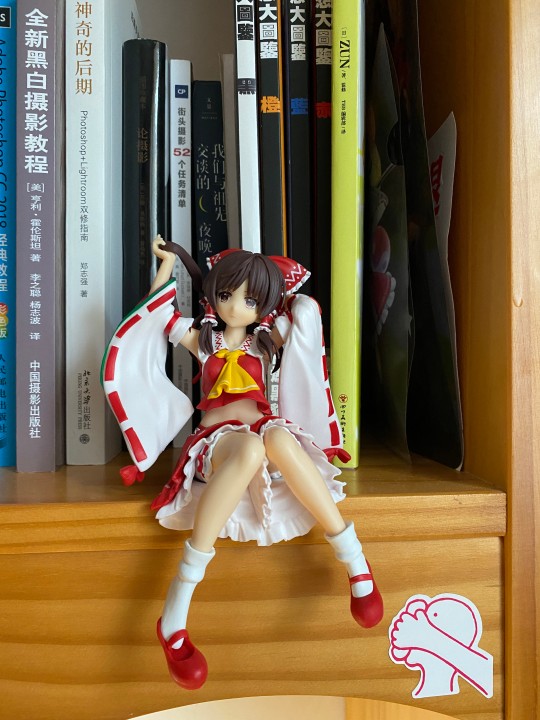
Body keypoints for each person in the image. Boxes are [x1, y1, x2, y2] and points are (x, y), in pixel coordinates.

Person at [102, 236, 383, 690]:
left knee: (278, 438)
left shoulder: (264, 343)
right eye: (227, 294)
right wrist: (168, 264)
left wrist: (294, 299)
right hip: (219, 442)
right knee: (251, 450)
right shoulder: (204, 340)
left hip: (264, 430)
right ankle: (176, 609)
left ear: (263, 306)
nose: (235, 307)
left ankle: (354, 558)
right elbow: (157, 314)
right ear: (214, 293)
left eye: (250, 300)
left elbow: (304, 317)